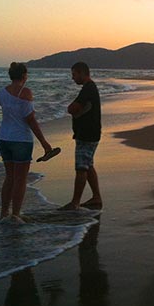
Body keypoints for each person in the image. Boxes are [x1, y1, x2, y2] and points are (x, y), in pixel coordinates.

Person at [0, 62, 53, 222]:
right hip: (21, 141)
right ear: (23, 76)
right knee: (20, 179)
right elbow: (31, 120)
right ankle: (15, 214)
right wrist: (44, 142)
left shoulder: (2, 93)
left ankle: (3, 213)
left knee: (9, 177)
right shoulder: (25, 92)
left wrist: (1, 131)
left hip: (4, 141)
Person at [59, 62, 103, 210]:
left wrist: (73, 110)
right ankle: (96, 197)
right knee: (88, 165)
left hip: (87, 134)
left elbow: (73, 108)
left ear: (82, 73)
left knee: (81, 168)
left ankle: (75, 202)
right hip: (91, 132)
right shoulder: (90, 88)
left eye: (74, 74)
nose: (73, 78)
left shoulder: (88, 89)